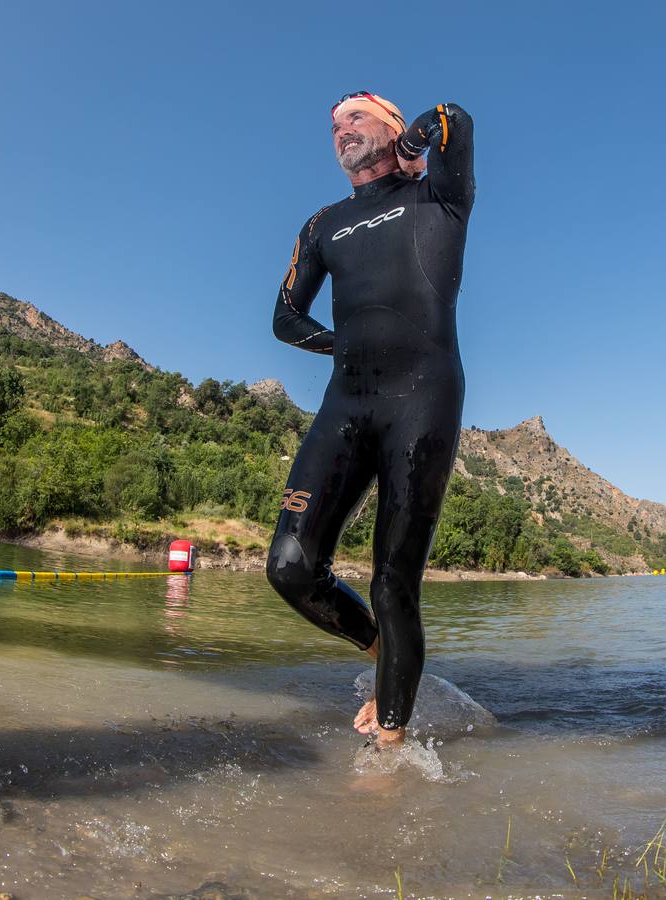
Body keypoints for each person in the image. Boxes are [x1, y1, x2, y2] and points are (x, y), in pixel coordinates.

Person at [265, 91, 474, 748]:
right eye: (333, 124)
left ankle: (389, 752)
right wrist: (346, 344)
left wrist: (414, 148)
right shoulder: (322, 224)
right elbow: (285, 320)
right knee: (290, 567)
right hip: (347, 401)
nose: (340, 130)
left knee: (392, 580)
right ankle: (388, 654)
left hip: (423, 398)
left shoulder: (438, 197)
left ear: (388, 124)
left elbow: (453, 119)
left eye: (356, 116)